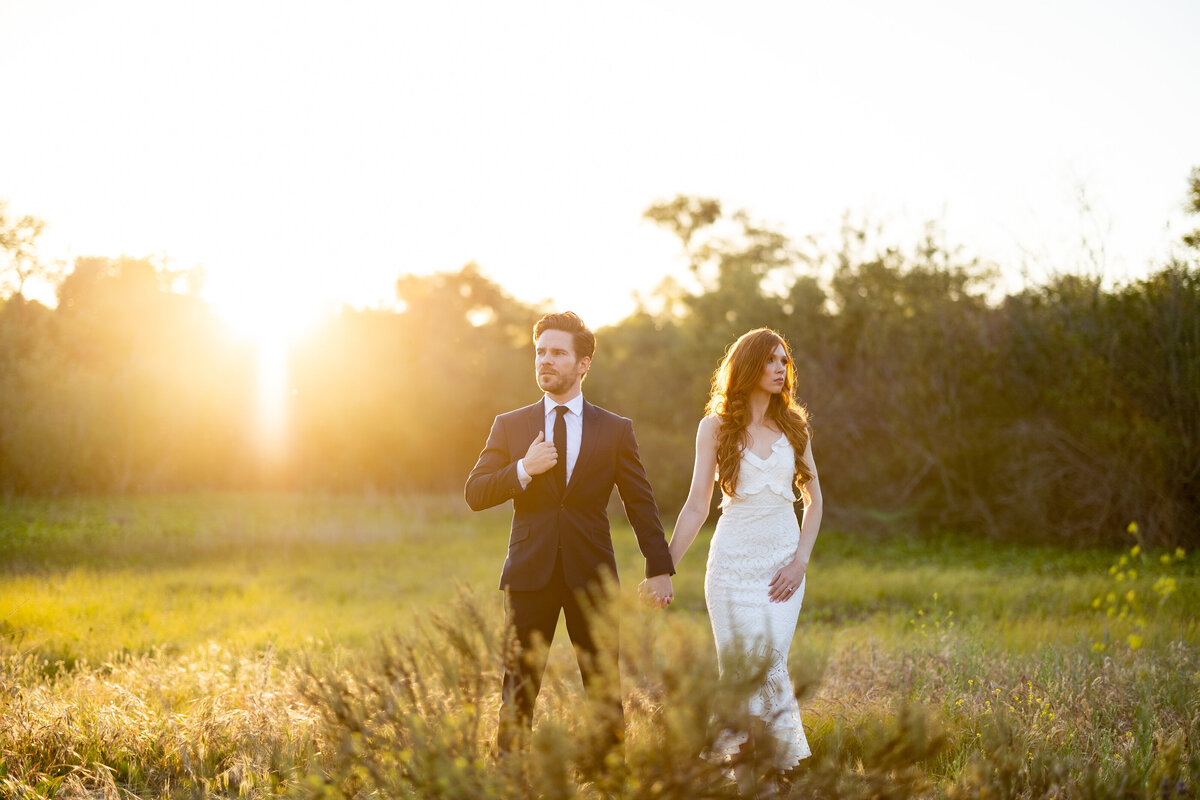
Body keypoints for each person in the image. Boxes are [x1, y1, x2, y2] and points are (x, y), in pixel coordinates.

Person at [465, 311, 675, 756]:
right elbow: (476, 492)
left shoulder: (616, 430)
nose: (546, 360)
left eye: (558, 353)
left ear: (583, 364)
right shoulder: (511, 424)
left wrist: (659, 568)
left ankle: (610, 776)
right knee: (518, 686)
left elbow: (640, 504)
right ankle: (510, 778)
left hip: (593, 575)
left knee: (602, 685)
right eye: (541, 352)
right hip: (528, 574)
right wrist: (523, 468)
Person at [648, 327, 822, 781]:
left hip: (782, 566)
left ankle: (760, 770)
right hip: (730, 570)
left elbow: (815, 500)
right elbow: (695, 505)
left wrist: (800, 561)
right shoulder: (715, 427)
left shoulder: (795, 427)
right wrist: (662, 568)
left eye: (784, 361)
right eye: (770, 361)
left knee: (769, 664)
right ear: (747, 367)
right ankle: (754, 778)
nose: (780, 369)